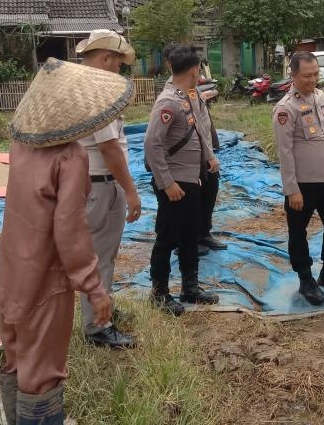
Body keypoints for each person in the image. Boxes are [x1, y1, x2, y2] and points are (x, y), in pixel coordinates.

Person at [0, 57, 135, 425]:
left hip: (11, 270)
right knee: (43, 373)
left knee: (15, 357)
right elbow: (69, 229)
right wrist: (94, 287)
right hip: (46, 276)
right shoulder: (70, 155)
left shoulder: (20, 145)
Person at [272, 51, 324, 305]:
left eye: (316, 74)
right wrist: (292, 189)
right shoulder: (286, 108)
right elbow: (284, 152)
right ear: (293, 75)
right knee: (298, 232)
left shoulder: (321, 96)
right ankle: (305, 279)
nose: (312, 80)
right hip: (303, 184)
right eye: (306, 76)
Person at [75, 29, 141, 349]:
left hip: (90, 185)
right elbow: (110, 148)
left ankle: (102, 311)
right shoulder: (98, 94)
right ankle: (98, 326)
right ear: (104, 59)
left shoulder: (79, 88)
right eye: (117, 64)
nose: (118, 71)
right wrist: (130, 191)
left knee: (99, 256)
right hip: (101, 187)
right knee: (100, 258)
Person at [144, 44, 220, 316]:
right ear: (194, 70)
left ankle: (190, 288)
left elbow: (200, 129)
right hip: (175, 183)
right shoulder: (168, 102)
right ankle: (159, 293)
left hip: (192, 179)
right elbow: (152, 145)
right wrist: (166, 183)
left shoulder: (190, 96)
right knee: (167, 238)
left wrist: (209, 156)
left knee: (189, 236)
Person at [162, 43, 228, 257]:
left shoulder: (194, 89)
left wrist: (209, 154)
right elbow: (155, 142)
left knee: (210, 190)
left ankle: (203, 233)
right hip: (187, 157)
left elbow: (202, 124)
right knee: (192, 199)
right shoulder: (171, 94)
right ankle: (186, 240)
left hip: (204, 151)